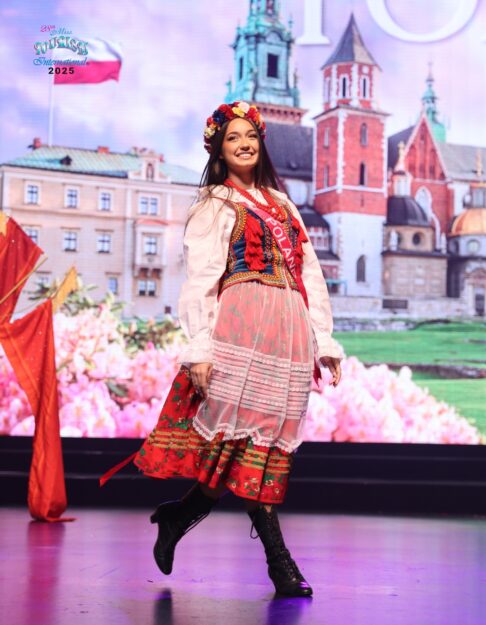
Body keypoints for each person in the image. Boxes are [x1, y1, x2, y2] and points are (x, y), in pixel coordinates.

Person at [134, 101, 344, 597]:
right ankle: (279, 562)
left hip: (289, 331)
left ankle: (181, 515)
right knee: (241, 444)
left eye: (250, 135)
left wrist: (324, 340)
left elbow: (309, 275)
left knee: (262, 446)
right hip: (240, 327)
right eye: (233, 137)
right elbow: (201, 280)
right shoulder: (214, 204)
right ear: (219, 149)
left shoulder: (284, 204)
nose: (244, 143)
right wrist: (200, 347)